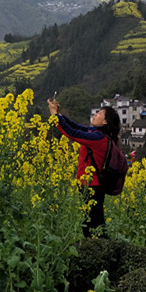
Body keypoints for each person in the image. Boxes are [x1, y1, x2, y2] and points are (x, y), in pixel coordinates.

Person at [47, 98, 121, 238]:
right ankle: (101, 249)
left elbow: (72, 133)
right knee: (94, 220)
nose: (95, 114)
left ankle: (99, 250)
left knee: (91, 222)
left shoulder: (98, 139)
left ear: (105, 122)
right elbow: (77, 127)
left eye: (99, 113)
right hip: (93, 184)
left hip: (92, 185)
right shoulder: (98, 134)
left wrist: (54, 117)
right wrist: (59, 114)